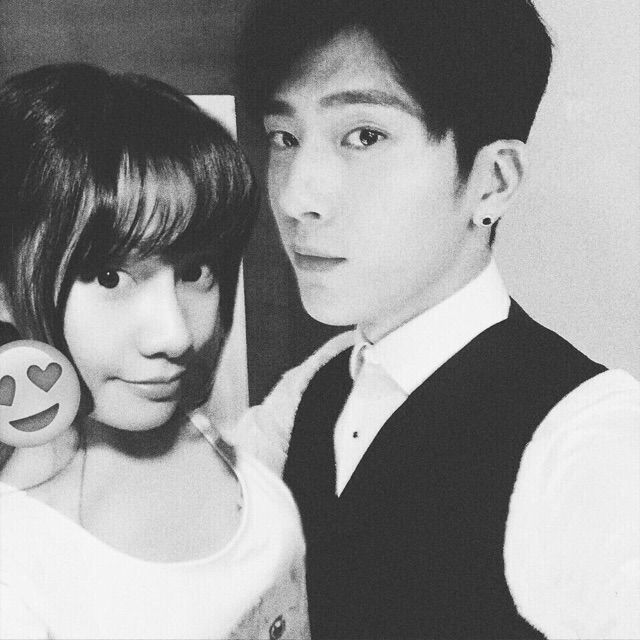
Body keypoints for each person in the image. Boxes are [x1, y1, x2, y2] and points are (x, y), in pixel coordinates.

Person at [233, 0, 640, 638]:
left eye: (364, 136)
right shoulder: (317, 383)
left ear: (493, 181)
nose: (293, 196)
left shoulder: (587, 437)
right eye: (284, 137)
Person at [0, 63, 309, 640]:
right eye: (111, 276)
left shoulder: (223, 441)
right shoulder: (15, 576)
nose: (176, 335)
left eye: (194, 271)